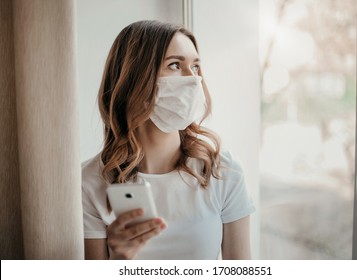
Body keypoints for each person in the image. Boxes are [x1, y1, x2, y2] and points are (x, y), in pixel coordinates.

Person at [82, 20, 255, 260]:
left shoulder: (222, 171)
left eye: (195, 67)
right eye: (175, 65)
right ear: (134, 79)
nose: (193, 80)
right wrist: (119, 262)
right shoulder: (88, 183)